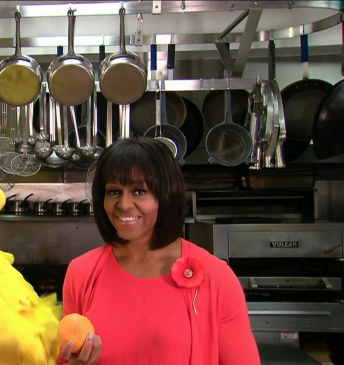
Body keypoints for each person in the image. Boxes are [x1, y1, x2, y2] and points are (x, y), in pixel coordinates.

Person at [58, 138, 260, 365]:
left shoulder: (216, 276)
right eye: (114, 192)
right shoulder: (82, 273)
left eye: (139, 191)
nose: (124, 204)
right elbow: (67, 356)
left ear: (166, 196)